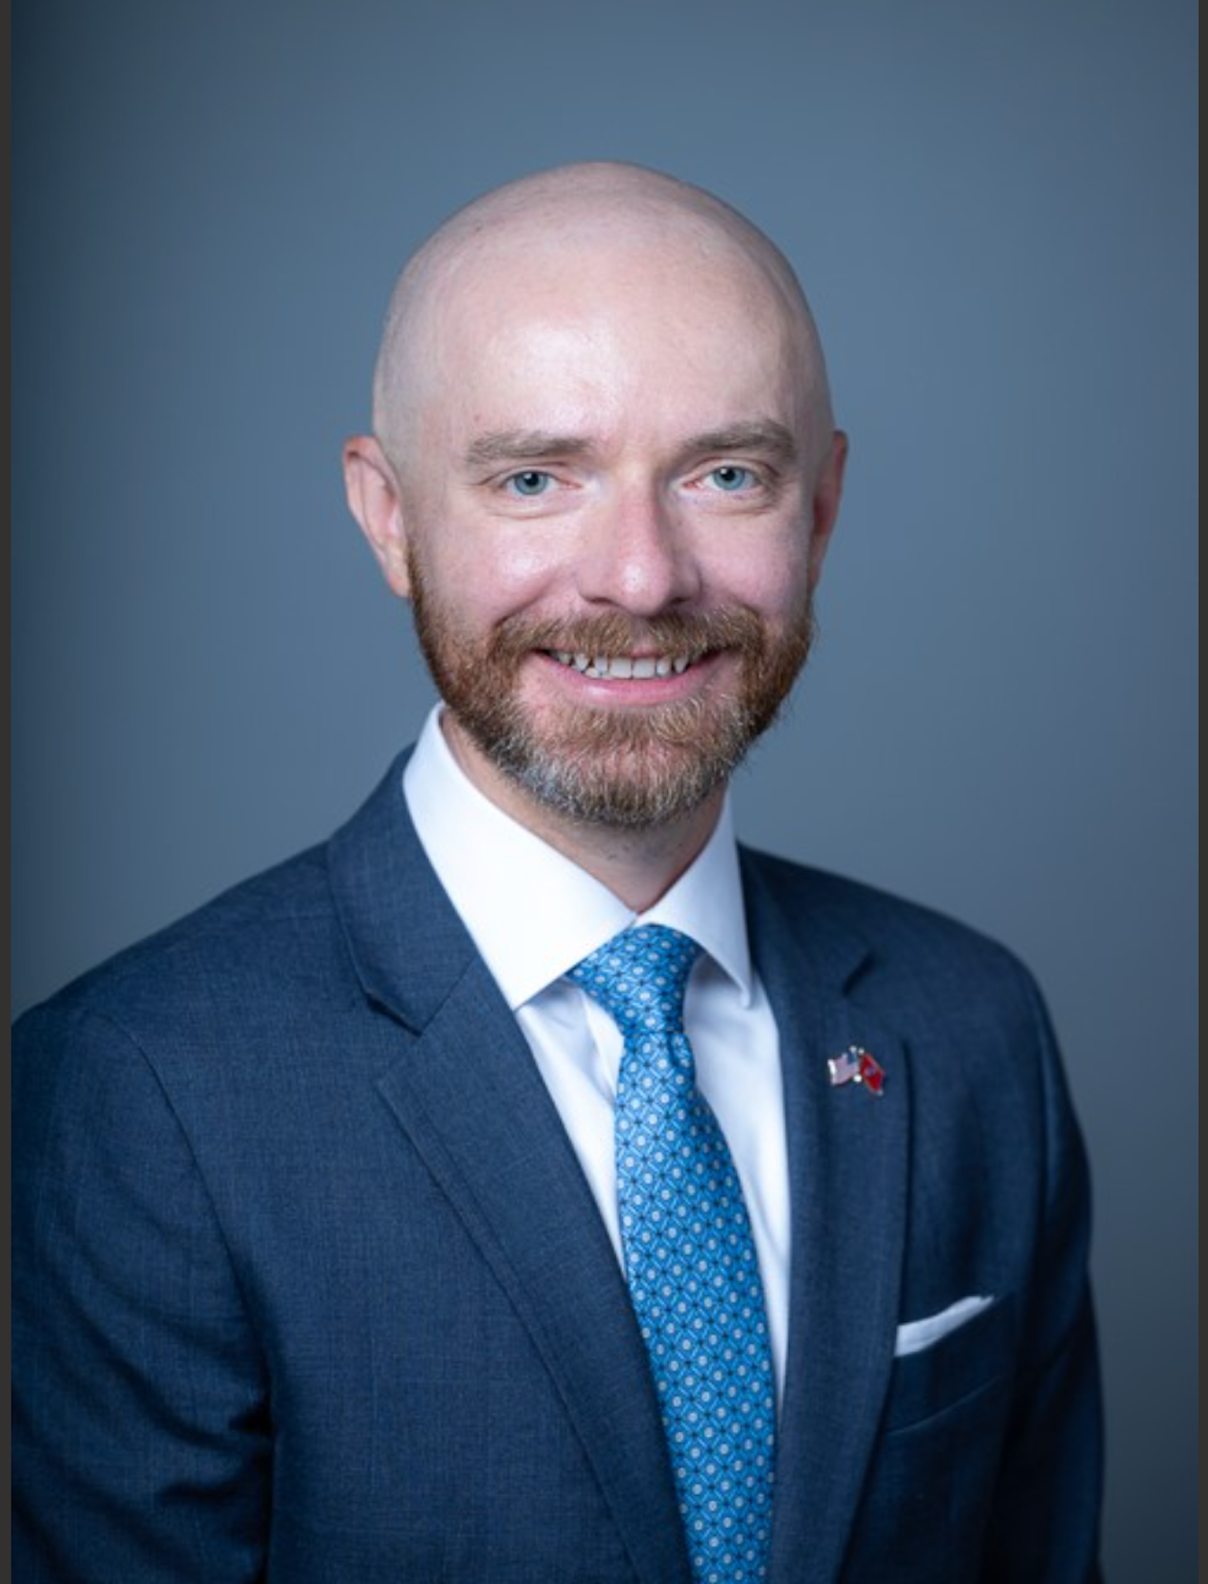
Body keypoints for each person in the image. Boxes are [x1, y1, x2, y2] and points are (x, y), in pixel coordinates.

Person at [12, 161, 1103, 1583]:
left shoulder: (972, 1031)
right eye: (535, 478)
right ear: (389, 516)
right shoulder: (135, 1092)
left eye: (726, 475)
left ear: (823, 507)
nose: (641, 579)